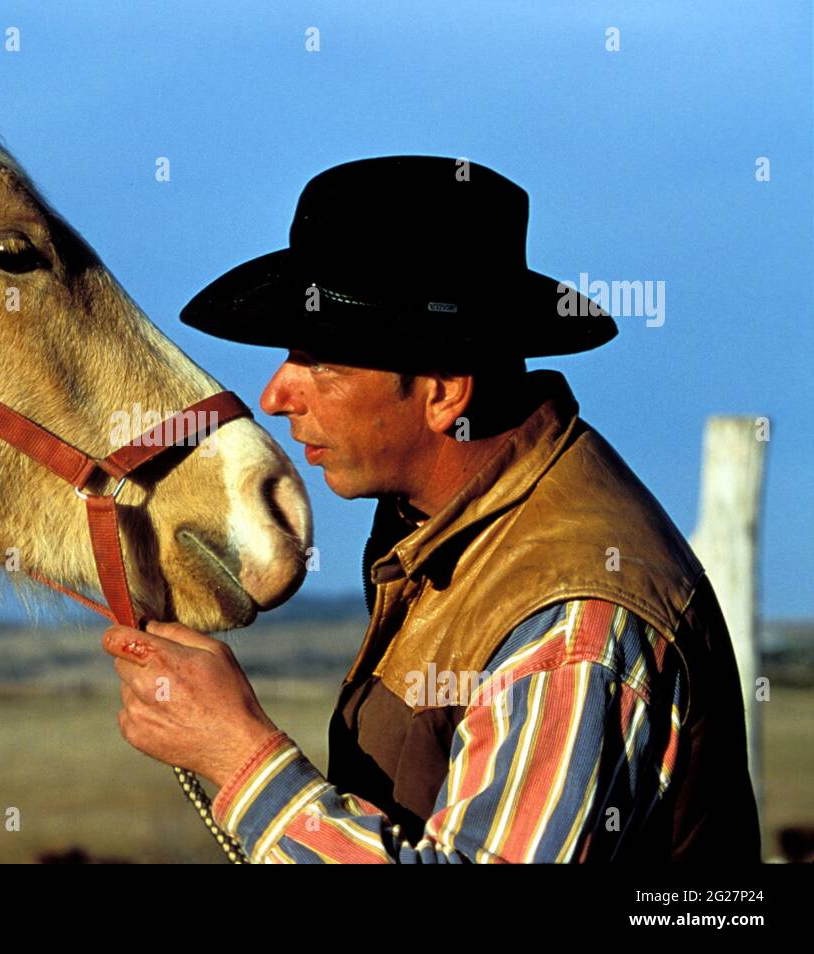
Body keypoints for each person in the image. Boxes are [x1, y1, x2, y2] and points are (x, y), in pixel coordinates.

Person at [102, 155, 761, 863]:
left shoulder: (574, 621)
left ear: (445, 390)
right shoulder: (457, 534)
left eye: (319, 358)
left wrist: (239, 758)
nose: (275, 395)